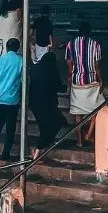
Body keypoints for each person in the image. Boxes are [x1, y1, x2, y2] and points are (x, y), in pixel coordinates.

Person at [29, 24, 69, 158]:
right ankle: (38, 152)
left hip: (36, 104)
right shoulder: (52, 73)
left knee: (53, 124)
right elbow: (59, 88)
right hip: (48, 105)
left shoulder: (36, 71)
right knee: (54, 125)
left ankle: (44, 145)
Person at [65, 24, 104, 145]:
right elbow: (97, 66)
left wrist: (71, 75)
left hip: (77, 82)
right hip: (91, 81)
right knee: (97, 109)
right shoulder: (96, 45)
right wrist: (101, 80)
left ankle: (80, 141)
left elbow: (69, 63)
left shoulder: (70, 44)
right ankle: (89, 133)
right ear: (89, 32)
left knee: (77, 113)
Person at [0, 37, 23, 161]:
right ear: (18, 48)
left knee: (1, 116)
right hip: (12, 97)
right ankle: (6, 152)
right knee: (11, 126)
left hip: (0, 95)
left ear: (7, 47)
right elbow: (24, 79)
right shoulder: (20, 61)